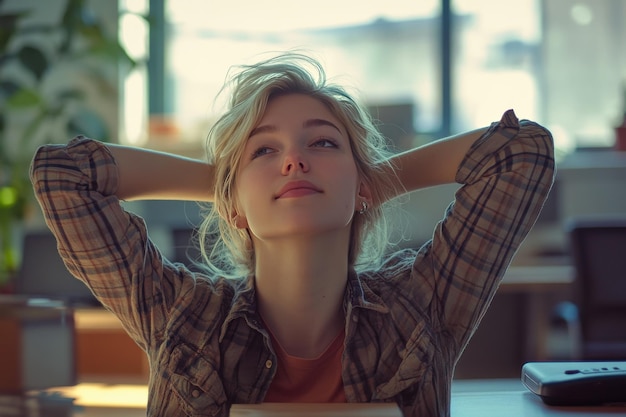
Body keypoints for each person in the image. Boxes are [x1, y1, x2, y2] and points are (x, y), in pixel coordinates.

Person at [30, 52, 555, 417]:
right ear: (232, 205)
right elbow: (64, 175)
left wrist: (369, 180)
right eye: (265, 150)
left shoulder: (424, 305)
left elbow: (520, 152)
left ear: (363, 184)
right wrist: (227, 186)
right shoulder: (178, 315)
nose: (295, 160)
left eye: (324, 144)